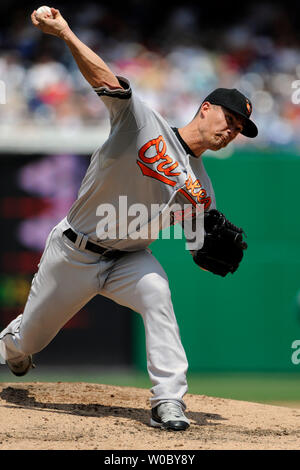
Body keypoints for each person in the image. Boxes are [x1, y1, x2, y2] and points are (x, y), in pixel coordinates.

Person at [0, 8, 258, 431]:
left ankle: (169, 400)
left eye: (239, 129)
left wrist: (206, 247)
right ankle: (14, 340)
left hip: (130, 258)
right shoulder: (142, 122)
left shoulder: (205, 189)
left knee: (158, 294)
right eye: (229, 120)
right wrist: (65, 31)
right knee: (28, 341)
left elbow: (197, 242)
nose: (231, 131)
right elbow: (104, 79)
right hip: (74, 250)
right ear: (206, 109)